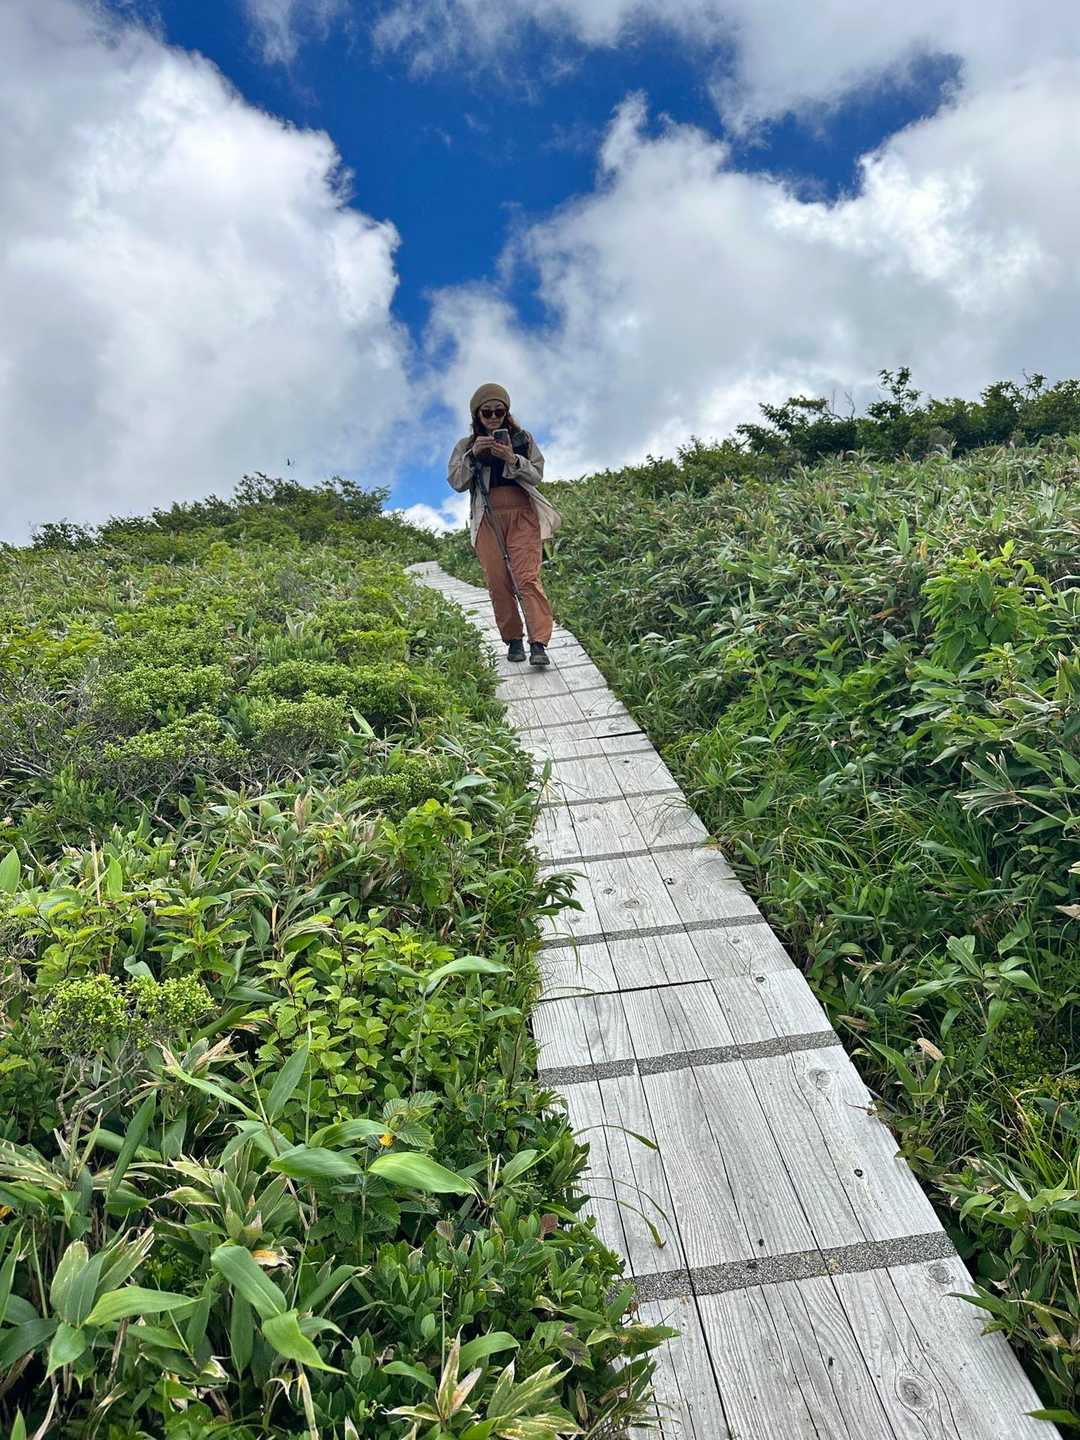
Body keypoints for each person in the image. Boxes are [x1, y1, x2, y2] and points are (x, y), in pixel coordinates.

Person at [447, 383, 561, 666]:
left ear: (507, 412)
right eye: (487, 412)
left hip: (522, 513)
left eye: (499, 411)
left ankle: (538, 643)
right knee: (497, 581)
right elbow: (457, 482)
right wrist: (473, 455)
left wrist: (512, 458)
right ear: (477, 415)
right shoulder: (465, 445)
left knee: (527, 578)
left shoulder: (523, 439)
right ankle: (513, 640)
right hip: (487, 516)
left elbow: (537, 475)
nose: (494, 417)